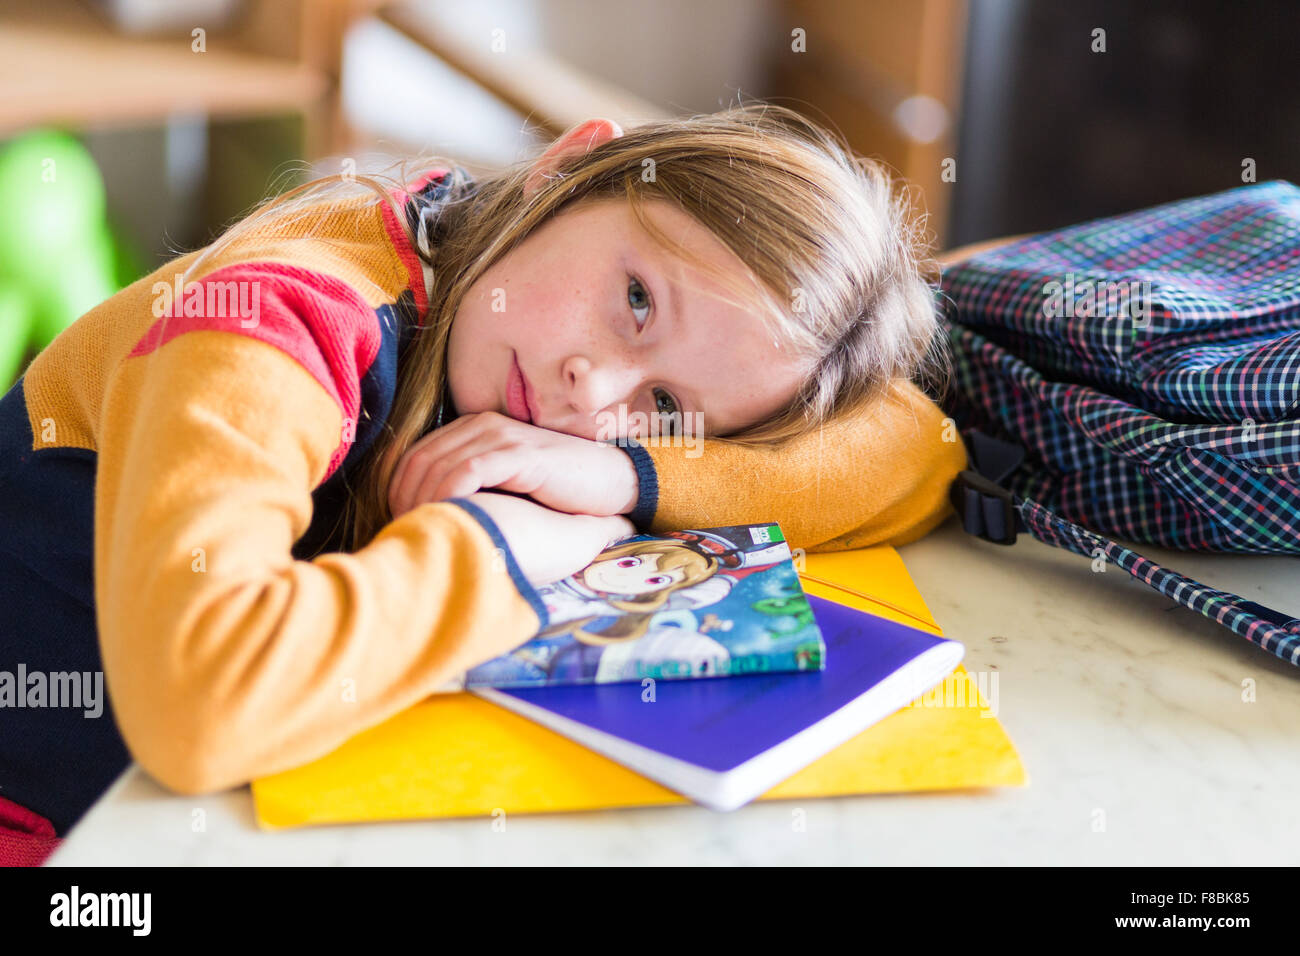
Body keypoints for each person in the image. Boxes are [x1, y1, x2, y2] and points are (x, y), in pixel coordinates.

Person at [0, 104, 967, 864]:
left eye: (667, 399)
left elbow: (916, 448)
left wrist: (620, 471)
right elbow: (195, 707)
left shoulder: (529, 346)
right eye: (636, 300)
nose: (597, 391)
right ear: (566, 167)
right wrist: (501, 550)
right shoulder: (279, 318)